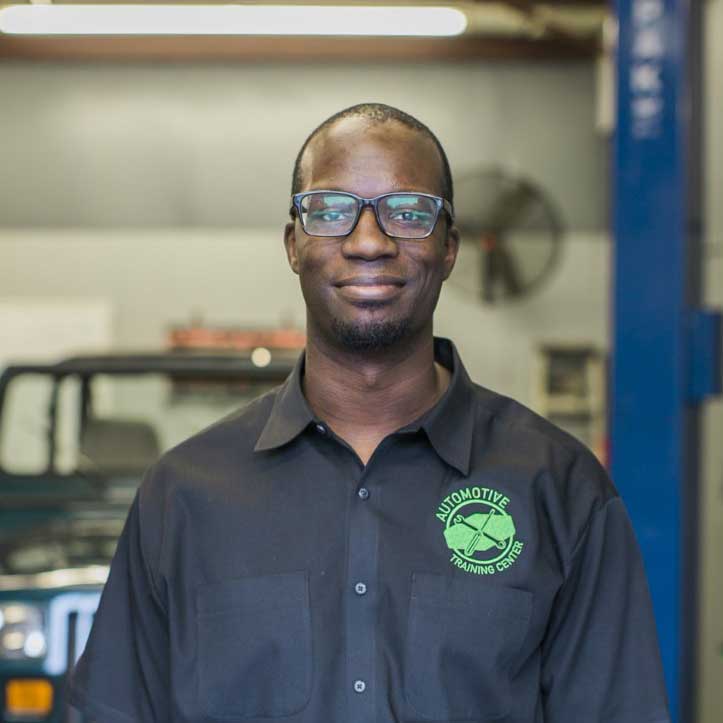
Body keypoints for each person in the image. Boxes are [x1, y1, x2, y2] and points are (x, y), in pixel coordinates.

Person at [69, 102, 671, 723]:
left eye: (407, 213)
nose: (367, 243)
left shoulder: (561, 490)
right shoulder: (184, 496)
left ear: (450, 247)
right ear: (293, 244)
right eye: (329, 211)